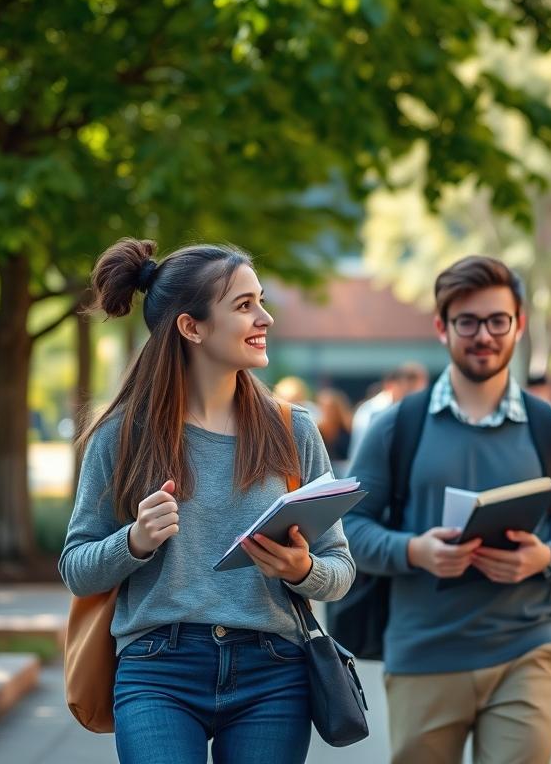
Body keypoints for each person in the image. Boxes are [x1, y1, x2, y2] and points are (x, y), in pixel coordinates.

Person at [59, 238, 356, 764]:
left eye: (260, 300)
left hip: (274, 672)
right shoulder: (121, 436)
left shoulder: (294, 430)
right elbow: (76, 569)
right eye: (244, 306)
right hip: (157, 669)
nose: (264, 317)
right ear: (191, 327)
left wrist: (301, 567)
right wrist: (134, 541)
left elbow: (340, 569)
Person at [344, 256, 551, 764]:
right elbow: (349, 528)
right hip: (422, 654)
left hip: (524, 649)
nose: (483, 335)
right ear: (442, 327)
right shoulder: (397, 428)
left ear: (519, 326)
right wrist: (413, 551)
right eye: (467, 322)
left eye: (497, 321)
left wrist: (547, 558)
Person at [349, 362, 428, 462]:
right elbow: (359, 451)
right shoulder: (371, 411)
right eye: (409, 390)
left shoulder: (420, 409)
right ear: (394, 385)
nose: (414, 397)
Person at [315, 388, 353, 468]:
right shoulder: (317, 431)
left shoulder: (348, 429)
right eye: (325, 408)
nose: (328, 412)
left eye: (331, 409)